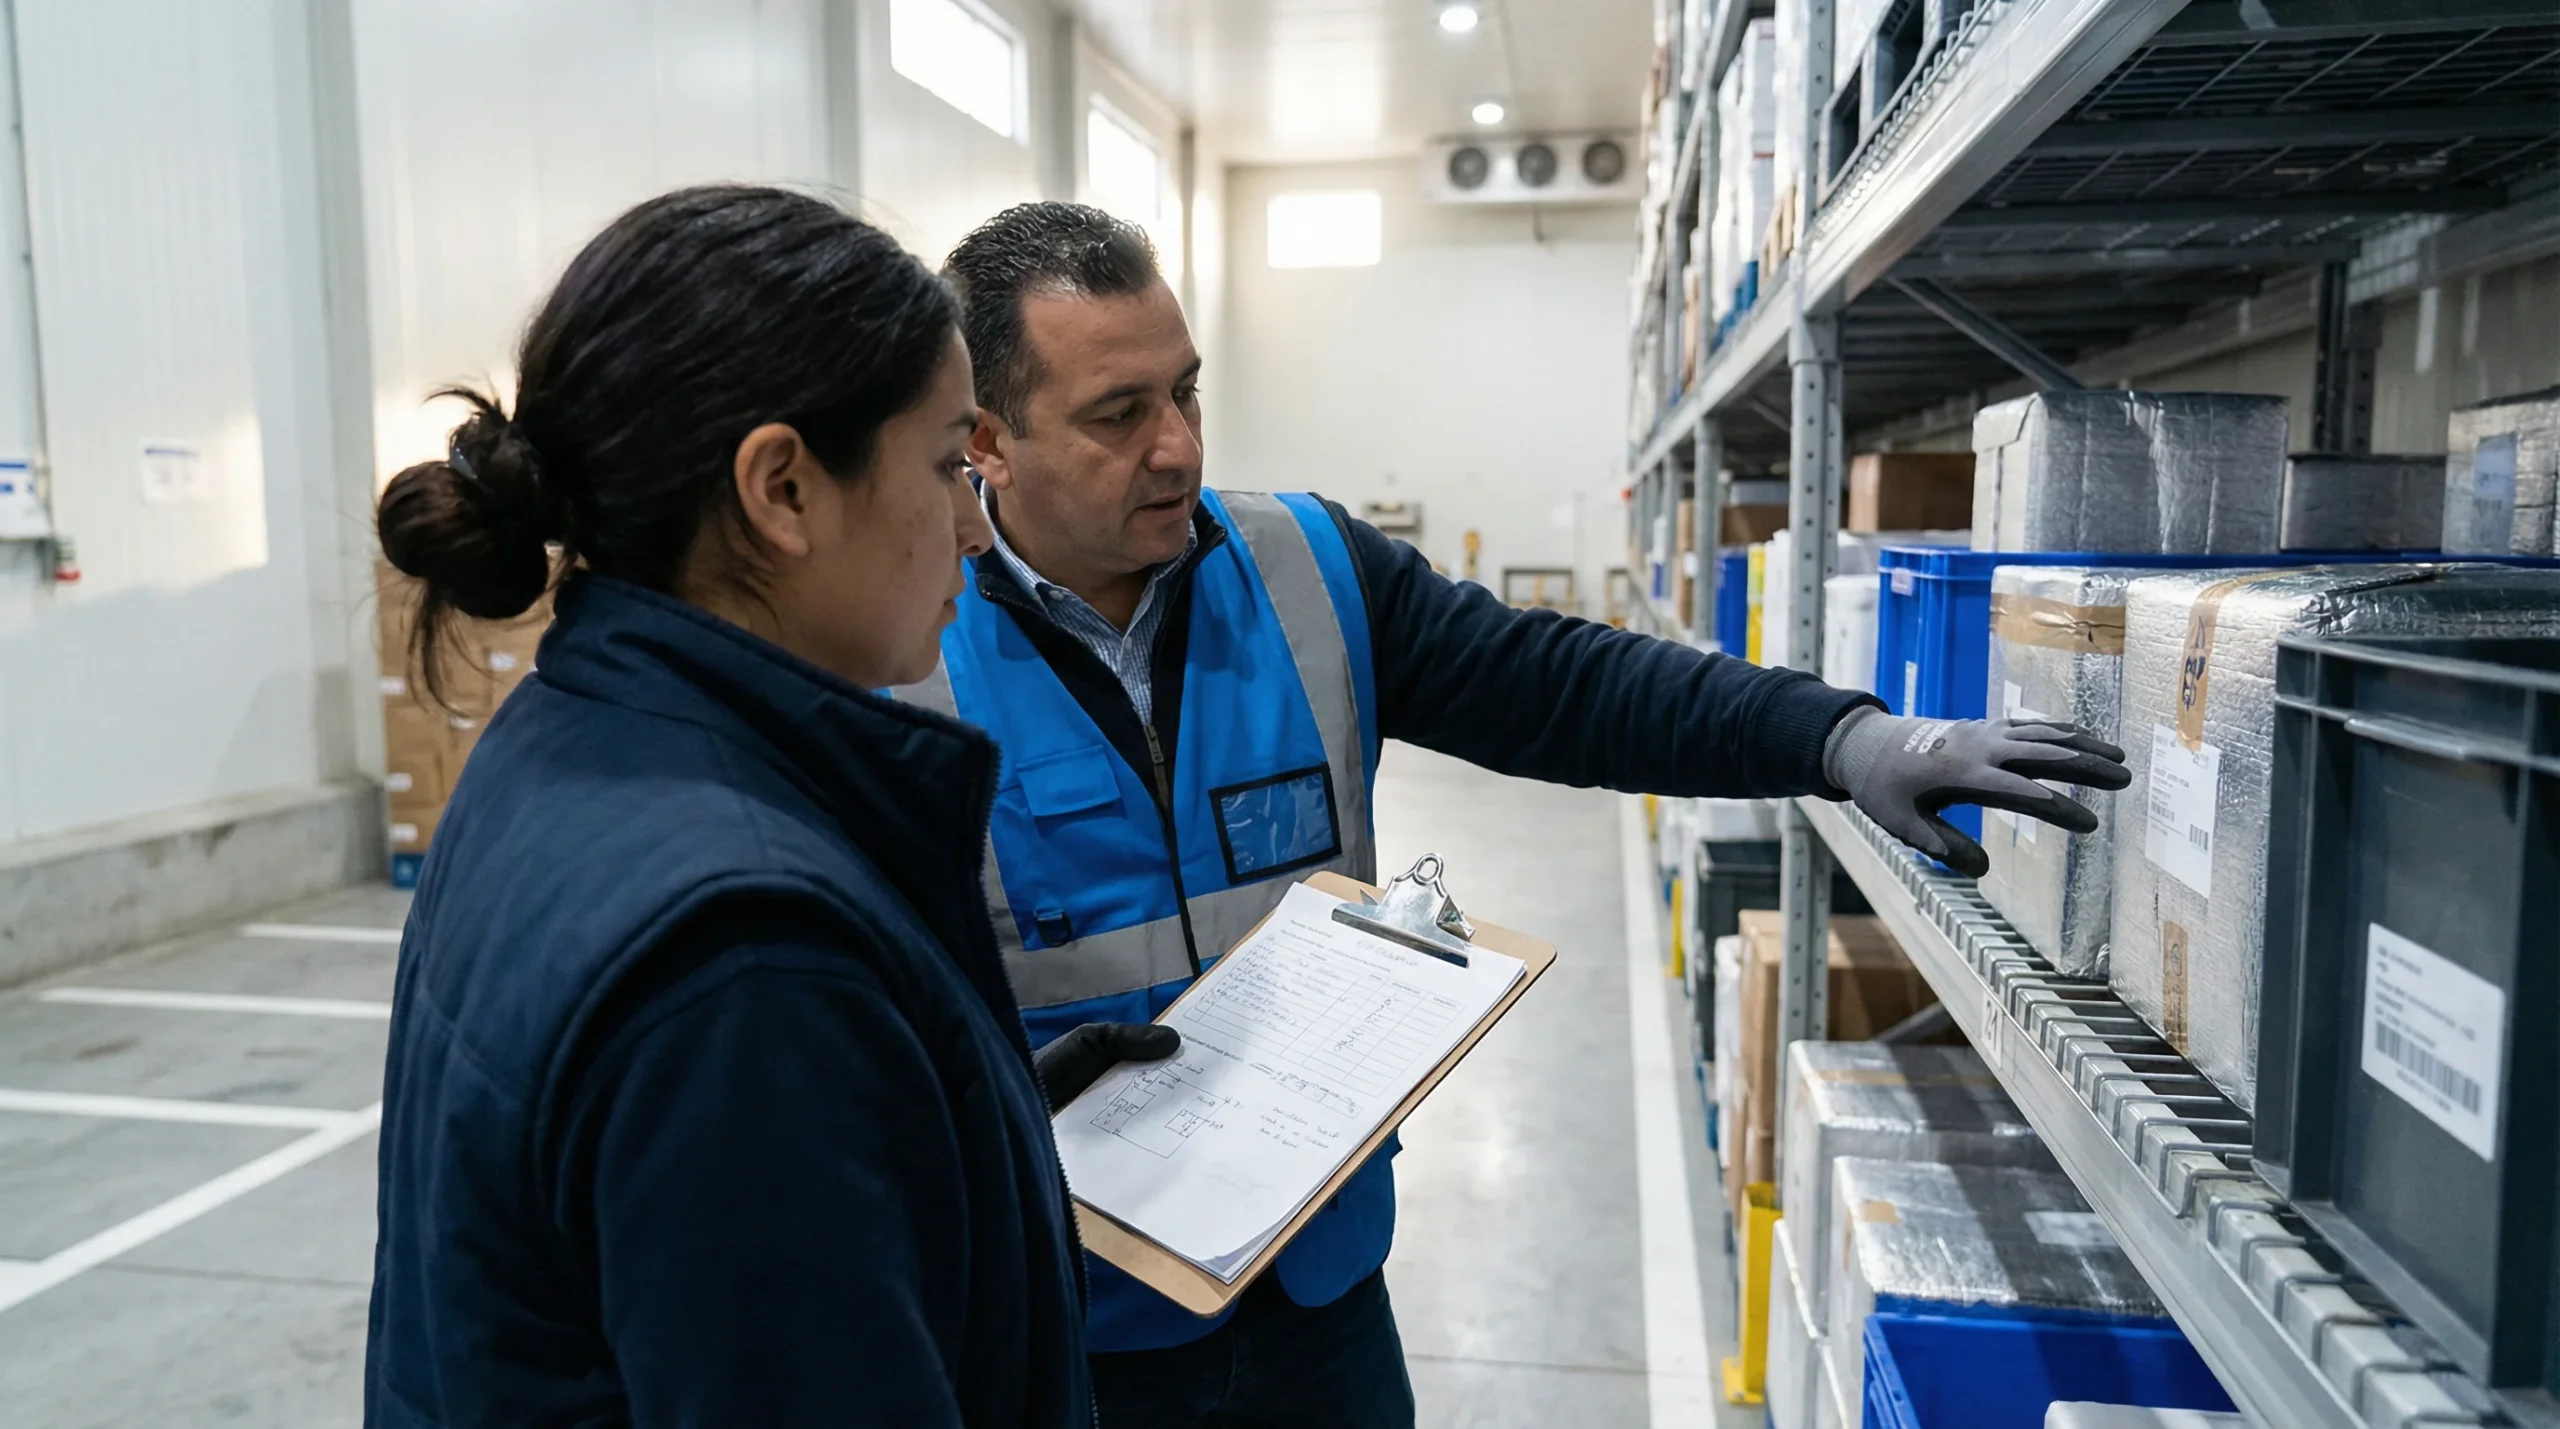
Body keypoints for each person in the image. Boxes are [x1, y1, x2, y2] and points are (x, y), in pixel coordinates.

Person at [910, 202, 2131, 1428]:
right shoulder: (901, 660)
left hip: (1316, 1284)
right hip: (1066, 1320)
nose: (1175, 447)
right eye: (1119, 415)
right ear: (988, 444)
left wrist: (1839, 737)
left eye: (1186, 393)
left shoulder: (1306, 566)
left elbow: (1566, 685)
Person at [364, 185, 1177, 1428]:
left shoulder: (575, 733)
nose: (972, 525)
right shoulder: (748, 960)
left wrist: (958, 1105)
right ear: (782, 489)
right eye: (946, 462)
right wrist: (828, 1059)